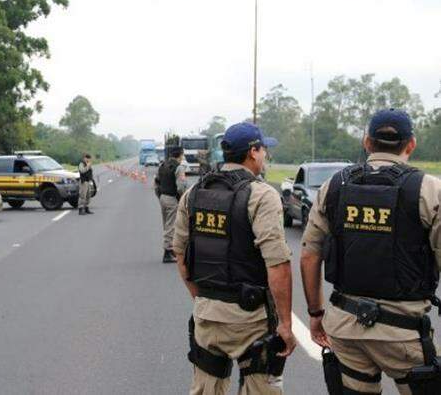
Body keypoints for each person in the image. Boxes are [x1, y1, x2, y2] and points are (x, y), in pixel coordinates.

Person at [300, 108, 441, 394]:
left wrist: (315, 314)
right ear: (411, 144)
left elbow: (309, 255)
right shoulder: (429, 190)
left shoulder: (334, 186)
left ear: (367, 142)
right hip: (404, 334)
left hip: (344, 327)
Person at [173, 122, 296, 395]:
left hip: (207, 314)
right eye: (264, 150)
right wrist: (286, 324)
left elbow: (180, 253)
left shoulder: (194, 194)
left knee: (205, 389)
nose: (266, 156)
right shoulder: (262, 195)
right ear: (253, 152)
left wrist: (202, 297)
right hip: (251, 319)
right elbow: (277, 265)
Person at [154, 146, 188, 263]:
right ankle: (168, 252)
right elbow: (181, 187)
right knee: (172, 225)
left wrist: (160, 196)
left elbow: (156, 183)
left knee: (166, 224)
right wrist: (183, 199)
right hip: (172, 198)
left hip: (163, 197)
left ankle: (170, 250)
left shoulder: (163, 165)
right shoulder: (179, 168)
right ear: (180, 155)